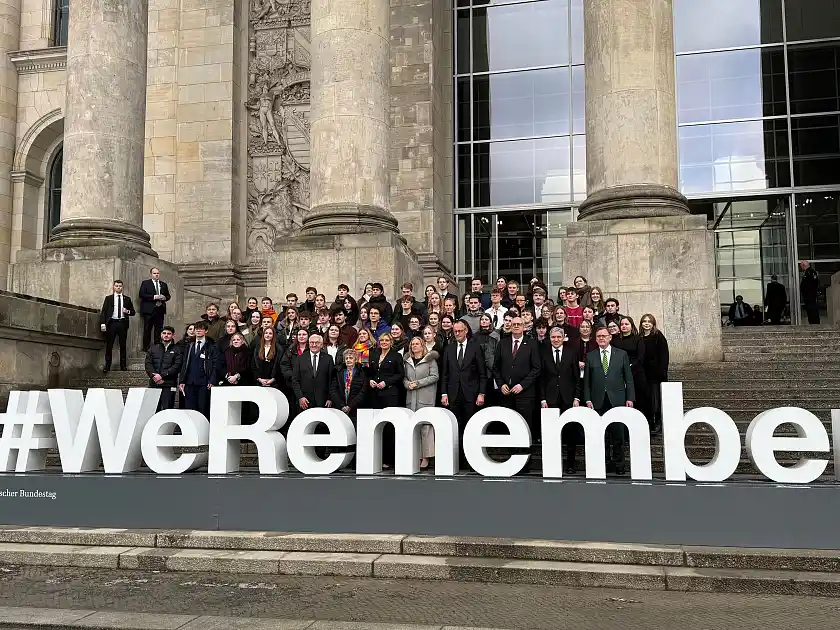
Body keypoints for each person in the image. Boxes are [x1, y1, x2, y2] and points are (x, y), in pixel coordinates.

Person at [582, 326, 635, 476]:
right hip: (597, 400)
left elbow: (628, 379)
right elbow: (586, 381)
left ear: (610, 337)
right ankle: (604, 463)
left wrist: (630, 398)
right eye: (598, 336)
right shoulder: (590, 356)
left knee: (618, 435)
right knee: (601, 435)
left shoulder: (621, 354)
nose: (601, 339)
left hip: (617, 400)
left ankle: (619, 465)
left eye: (604, 336)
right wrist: (587, 399)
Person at [492, 315, 542, 471]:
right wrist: (501, 384)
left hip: (525, 393)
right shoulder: (503, 343)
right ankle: (511, 456)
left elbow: (536, 369)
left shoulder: (532, 344)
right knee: (510, 425)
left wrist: (522, 385)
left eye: (519, 324)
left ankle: (525, 459)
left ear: (524, 327)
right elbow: (496, 367)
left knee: (525, 425)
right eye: (513, 324)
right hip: (507, 393)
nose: (516, 326)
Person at [440, 320, 486, 470]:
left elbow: (482, 373)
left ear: (466, 331)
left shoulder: (475, 348)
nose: (457, 334)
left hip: (471, 395)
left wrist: (481, 393)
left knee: (470, 427)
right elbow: (445, 373)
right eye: (455, 331)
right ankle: (456, 460)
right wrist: (444, 393)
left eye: (460, 331)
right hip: (453, 395)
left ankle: (470, 459)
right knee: (454, 428)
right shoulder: (449, 348)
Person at [539, 327, 582, 474]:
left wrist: (577, 397)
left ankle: (570, 464)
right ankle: (553, 464)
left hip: (568, 398)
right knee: (551, 433)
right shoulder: (543, 353)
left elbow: (577, 378)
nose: (556, 340)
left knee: (570, 432)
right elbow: (541, 378)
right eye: (553, 337)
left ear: (563, 338)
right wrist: (543, 399)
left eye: (559, 337)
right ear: (549, 338)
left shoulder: (571, 353)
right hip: (550, 399)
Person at [368, 332, 405, 467]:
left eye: (386, 340)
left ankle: (390, 459)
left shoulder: (396, 356)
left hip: (390, 395)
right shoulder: (373, 355)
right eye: (381, 340)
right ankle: (379, 457)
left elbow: (400, 374)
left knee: (389, 427)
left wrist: (386, 382)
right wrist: (370, 380)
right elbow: (367, 373)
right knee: (377, 427)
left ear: (391, 342)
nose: (384, 342)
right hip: (375, 395)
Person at [404, 336, 440, 469]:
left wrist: (419, 383)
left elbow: (435, 376)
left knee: (426, 427)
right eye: (412, 344)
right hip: (411, 396)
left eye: (417, 344)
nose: (414, 346)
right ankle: (416, 455)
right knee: (414, 427)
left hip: (425, 397)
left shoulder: (430, 359)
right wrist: (408, 384)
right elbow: (404, 378)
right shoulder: (406, 360)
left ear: (422, 345)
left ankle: (426, 457)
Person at [178, 321, 221, 417]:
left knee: (202, 409)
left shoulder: (211, 346)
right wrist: (182, 380)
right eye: (196, 329)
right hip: (189, 383)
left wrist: (212, 380)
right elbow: (185, 364)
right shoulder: (189, 346)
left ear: (206, 331)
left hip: (204, 383)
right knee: (189, 411)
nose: (198, 331)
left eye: (201, 329)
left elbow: (215, 365)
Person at [613, 316, 649, 423]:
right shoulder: (615, 341)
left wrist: (630, 367)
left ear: (631, 326)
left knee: (639, 400)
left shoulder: (638, 339)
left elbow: (641, 357)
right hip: (619, 374)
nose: (624, 326)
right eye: (622, 324)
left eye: (626, 324)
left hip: (636, 373)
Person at [639, 313, 668, 433]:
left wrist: (662, 371)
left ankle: (658, 422)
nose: (646, 323)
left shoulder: (658, 336)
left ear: (653, 324)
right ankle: (649, 422)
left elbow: (664, 355)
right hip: (643, 373)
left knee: (656, 399)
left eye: (649, 321)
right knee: (647, 400)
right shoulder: (639, 337)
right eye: (644, 321)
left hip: (656, 374)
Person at [99, 279, 135, 373]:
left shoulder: (127, 299)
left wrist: (127, 311)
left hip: (122, 323)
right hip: (112, 323)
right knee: (109, 345)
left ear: (122, 287)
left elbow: (133, 312)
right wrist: (103, 323)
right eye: (117, 286)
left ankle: (123, 366)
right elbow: (104, 311)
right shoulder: (109, 298)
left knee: (123, 345)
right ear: (114, 287)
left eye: (120, 286)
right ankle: (107, 366)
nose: (118, 287)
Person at [292, 333, 334, 412]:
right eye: (311, 342)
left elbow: (332, 380)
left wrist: (330, 398)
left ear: (321, 345)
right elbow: (295, 380)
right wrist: (300, 397)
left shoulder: (328, 358)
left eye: (317, 343)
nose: (314, 345)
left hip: (323, 401)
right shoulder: (300, 358)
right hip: (305, 401)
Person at [144, 326, 182, 411]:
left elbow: (177, 366)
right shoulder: (153, 348)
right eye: (164, 333)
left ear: (173, 335)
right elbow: (148, 364)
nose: (166, 335)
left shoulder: (177, 349)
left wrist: (162, 375)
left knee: (167, 409)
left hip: (169, 384)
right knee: (154, 409)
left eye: (169, 334)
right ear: (161, 335)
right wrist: (154, 376)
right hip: (154, 384)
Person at [330, 348, 369, 423]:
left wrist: (350, 406)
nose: (348, 360)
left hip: (356, 408)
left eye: (351, 358)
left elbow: (363, 391)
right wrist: (342, 405)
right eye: (346, 358)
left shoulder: (362, 372)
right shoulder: (338, 372)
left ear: (356, 359)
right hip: (340, 408)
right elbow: (333, 390)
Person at [139, 267, 171, 352]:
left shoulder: (163, 284)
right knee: (147, 329)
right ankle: (146, 347)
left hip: (160, 310)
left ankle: (158, 347)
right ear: (151, 274)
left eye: (157, 273)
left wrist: (165, 298)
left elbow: (168, 296)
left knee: (159, 329)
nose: (156, 275)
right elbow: (142, 294)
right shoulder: (145, 283)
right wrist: (154, 297)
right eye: (154, 273)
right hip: (149, 310)